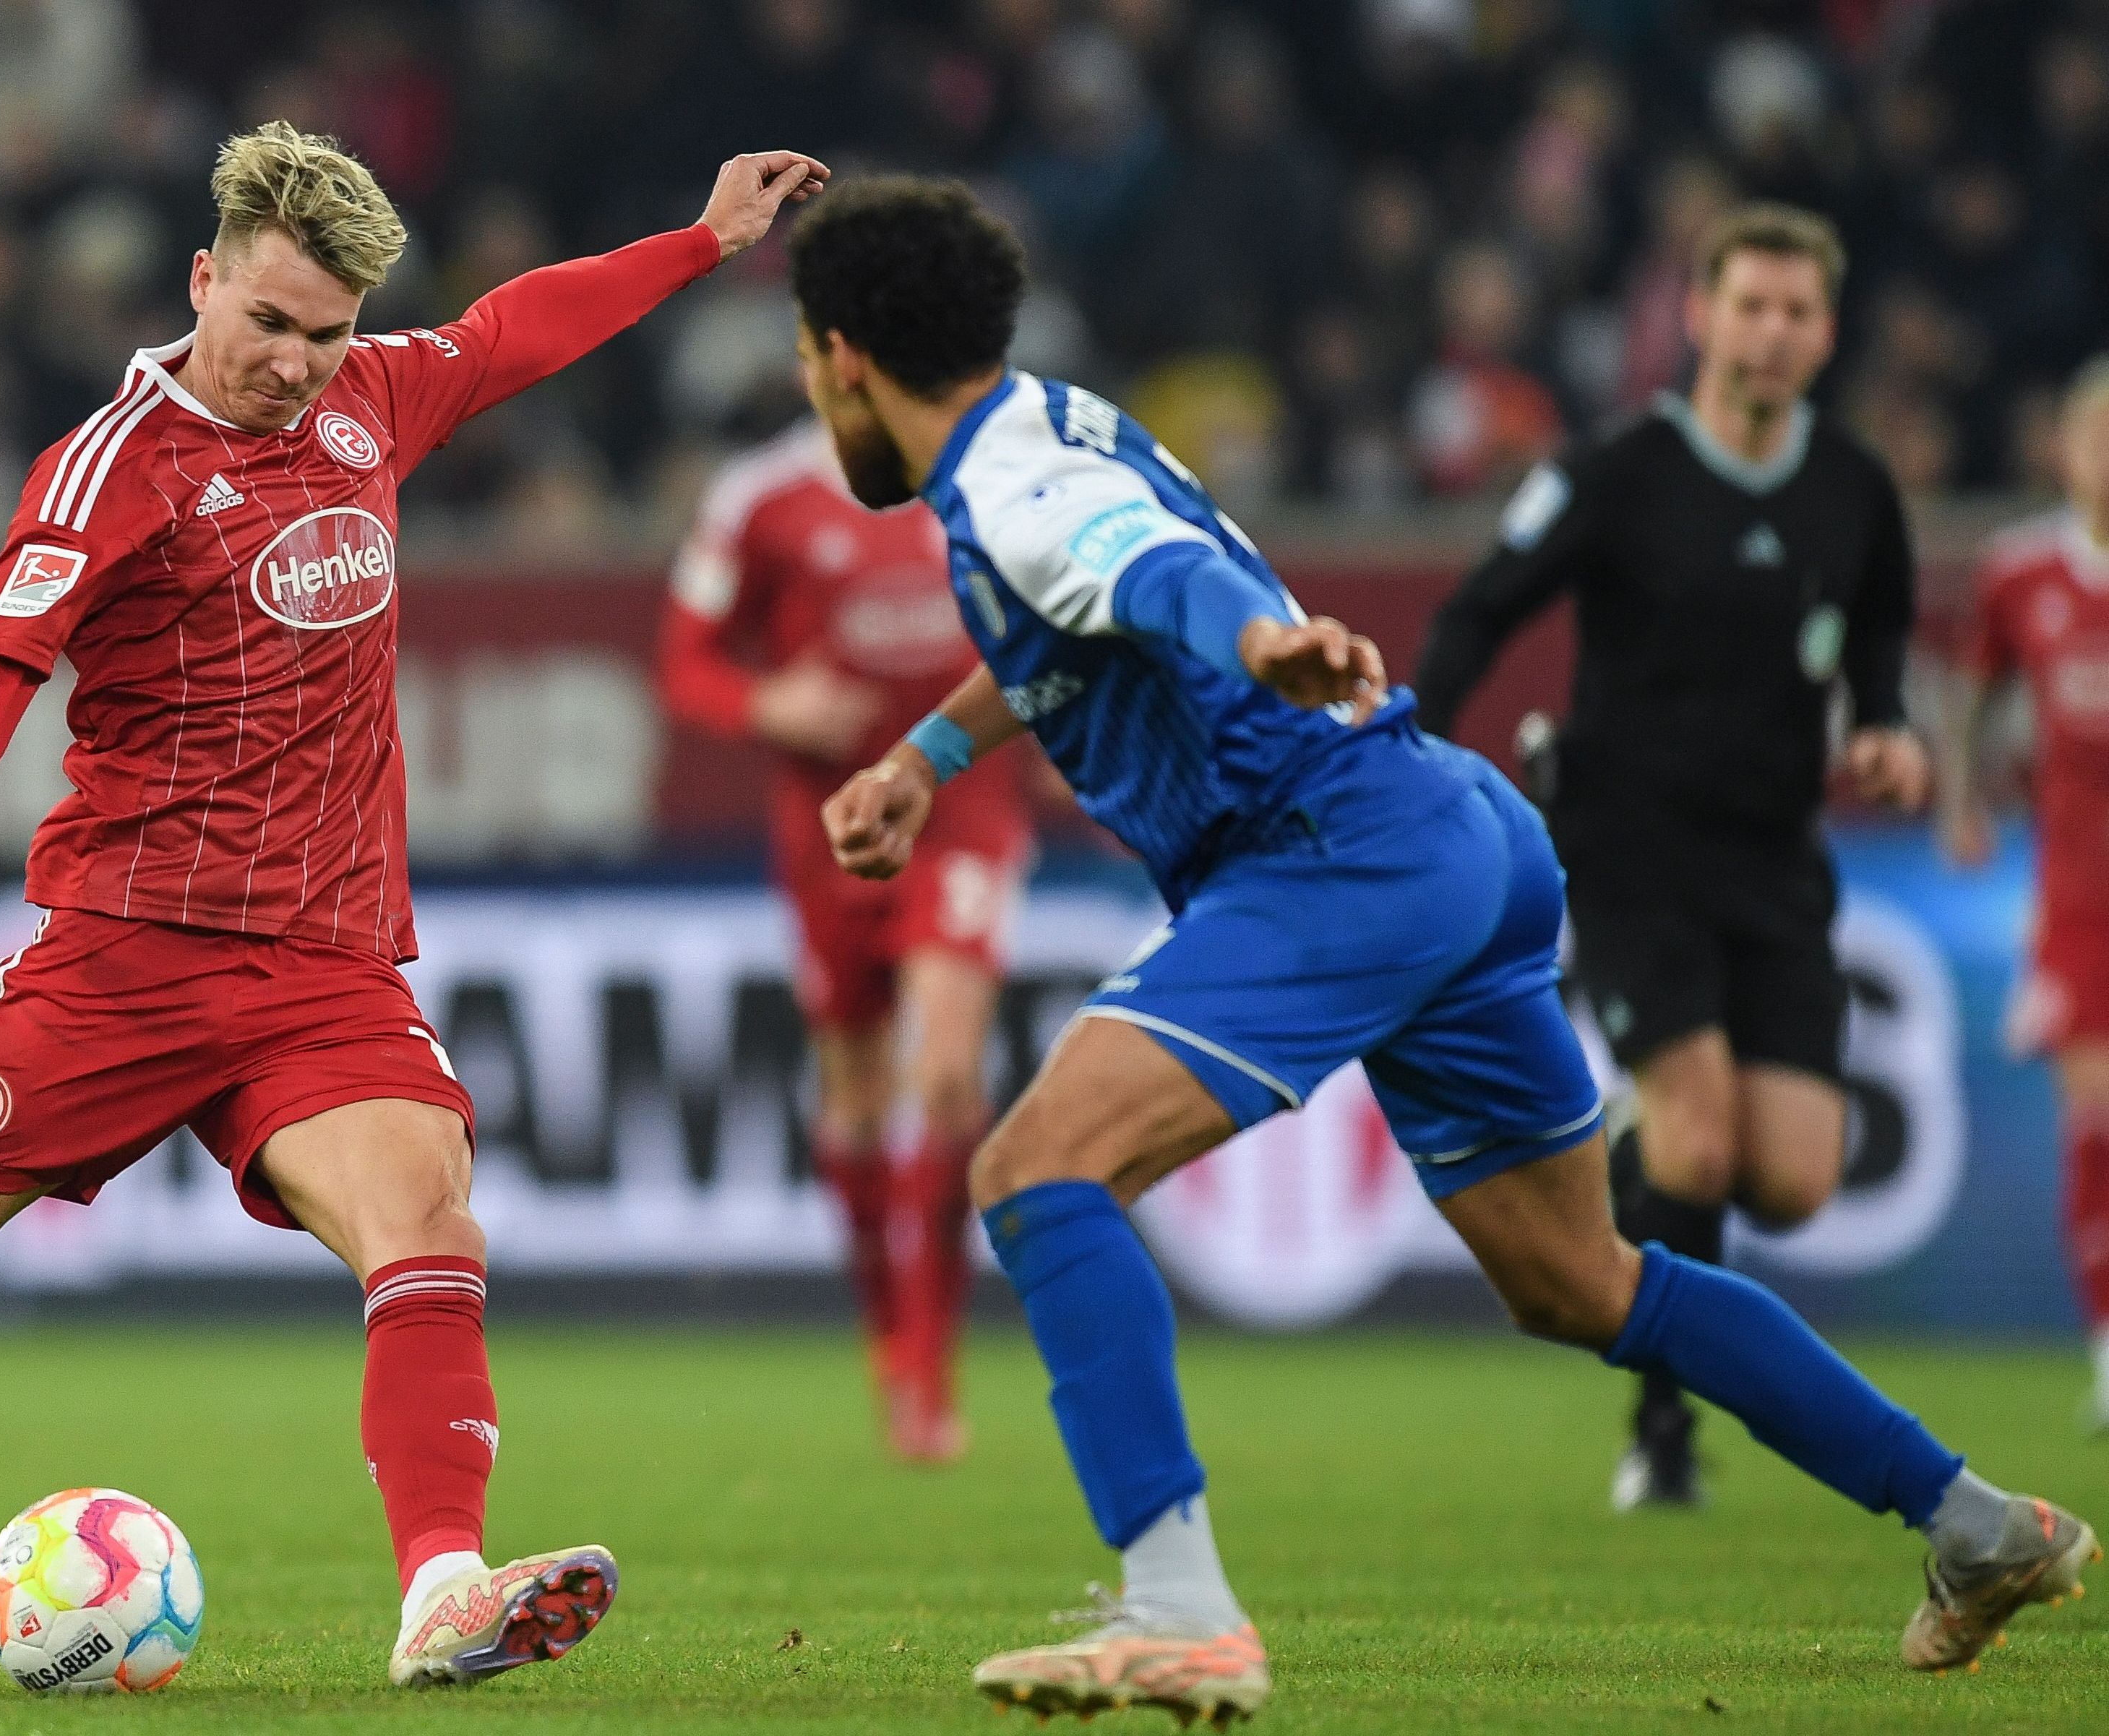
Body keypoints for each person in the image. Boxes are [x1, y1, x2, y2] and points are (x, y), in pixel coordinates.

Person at [791, 176, 2090, 1725]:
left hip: (1328, 852)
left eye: (809, 370)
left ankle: (1178, 1607)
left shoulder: (1011, 491)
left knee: (1034, 1172)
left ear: (843, 354)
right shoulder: (1044, 423)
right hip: (1456, 836)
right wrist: (926, 759)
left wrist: (1257, 640)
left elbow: (1153, 574)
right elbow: (1076, 613)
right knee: (1579, 1278)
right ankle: (1975, 1525)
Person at [0, 123, 825, 1688]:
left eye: (325, 335)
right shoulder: (109, 466)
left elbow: (507, 331)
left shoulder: (371, 401)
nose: (294, 364)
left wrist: (700, 241)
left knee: (427, 1220)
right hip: (125, 956)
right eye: (267, 324)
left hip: (326, 956)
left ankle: (443, 1589)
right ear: (204, 281)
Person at [1412, 205, 1930, 1511]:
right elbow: (1479, 610)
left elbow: (1877, 650)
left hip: (1774, 861)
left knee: (1794, 1181)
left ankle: (1622, 1156)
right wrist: (1403, 748)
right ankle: (1663, 1434)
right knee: (1704, 1156)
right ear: (1697, 315)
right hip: (1628, 844)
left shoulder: (1856, 489)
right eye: (1747, 305)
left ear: (1825, 333)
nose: (1769, 332)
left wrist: (1885, 734)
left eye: (1795, 311)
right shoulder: (1618, 471)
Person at [659, 418, 1031, 1461]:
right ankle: (884, 1327)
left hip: (960, 812)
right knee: (858, 1097)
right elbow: (685, 662)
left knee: (948, 1074)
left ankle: (930, 1360)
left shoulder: (993, 477)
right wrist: (767, 699)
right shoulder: (760, 497)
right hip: (828, 831)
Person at [1941, 355, 2109, 1434]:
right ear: (2067, 446)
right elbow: (1968, 691)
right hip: (2082, 898)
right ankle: (2108, 1343)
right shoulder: (2020, 573)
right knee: (2099, 1122)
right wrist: (1961, 800)